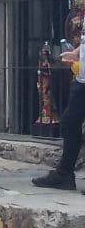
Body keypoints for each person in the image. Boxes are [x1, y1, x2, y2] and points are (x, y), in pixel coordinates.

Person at [34, 40, 85, 191]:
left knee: (70, 121)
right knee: (69, 122)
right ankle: (64, 174)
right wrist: (76, 53)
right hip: (82, 79)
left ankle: (64, 173)